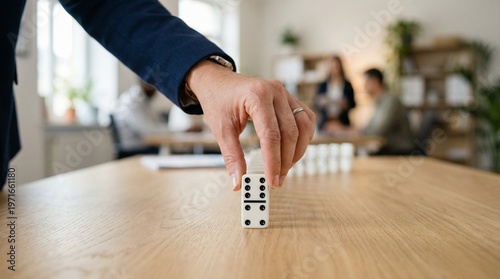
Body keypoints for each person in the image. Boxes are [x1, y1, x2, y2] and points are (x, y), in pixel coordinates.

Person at [1, 0, 315, 191]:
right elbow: (153, 133)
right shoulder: (132, 104)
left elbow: (106, 3)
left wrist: (205, 73)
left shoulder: (147, 102)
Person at [362, 68, 414, 155]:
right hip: (389, 149)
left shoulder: (390, 101)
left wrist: (358, 132)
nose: (364, 86)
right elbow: (370, 127)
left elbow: (378, 131)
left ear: (375, 81)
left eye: (366, 82)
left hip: (399, 151)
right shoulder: (380, 101)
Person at [113, 80, 169, 155]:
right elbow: (147, 130)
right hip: (133, 151)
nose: (156, 91)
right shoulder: (132, 101)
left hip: (146, 148)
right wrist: (173, 130)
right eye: (154, 86)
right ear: (145, 83)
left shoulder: (144, 100)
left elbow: (157, 123)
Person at [315, 56, 356, 130]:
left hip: (342, 122)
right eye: (332, 67)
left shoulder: (347, 85)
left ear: (340, 67)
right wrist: (321, 102)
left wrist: (345, 104)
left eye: (336, 66)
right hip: (326, 122)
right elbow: (315, 103)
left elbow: (353, 103)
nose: (334, 69)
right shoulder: (323, 85)